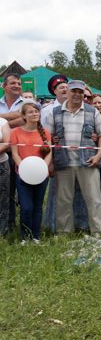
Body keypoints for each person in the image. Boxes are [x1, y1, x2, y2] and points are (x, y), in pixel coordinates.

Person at [43, 79, 101, 234]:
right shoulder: (55, 112)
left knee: (94, 199)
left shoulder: (92, 111)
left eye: (80, 92)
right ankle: (64, 232)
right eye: (74, 91)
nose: (77, 95)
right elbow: (47, 138)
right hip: (63, 163)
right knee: (63, 200)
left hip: (88, 161)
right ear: (68, 92)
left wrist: (98, 155)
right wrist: (50, 161)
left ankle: (98, 232)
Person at [9, 101, 51, 242]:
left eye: (36, 111)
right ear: (24, 116)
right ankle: (25, 237)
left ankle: (36, 236)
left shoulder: (45, 133)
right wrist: (23, 169)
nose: (35, 114)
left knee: (37, 206)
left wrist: (43, 168)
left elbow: (49, 153)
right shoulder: (15, 132)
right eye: (31, 112)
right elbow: (15, 154)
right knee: (26, 207)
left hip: (41, 175)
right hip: (23, 175)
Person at [0, 73, 24, 230]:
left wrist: (2, 121)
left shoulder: (28, 102)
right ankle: (7, 225)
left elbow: (25, 118)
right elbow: (20, 117)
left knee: (20, 190)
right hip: (2, 154)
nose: (17, 85)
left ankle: (19, 225)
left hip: (21, 153)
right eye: (13, 83)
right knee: (4, 191)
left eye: (19, 83)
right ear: (4, 86)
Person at [0, 111, 10, 235]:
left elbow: (7, 143)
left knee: (3, 199)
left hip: (2, 166)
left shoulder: (3, 122)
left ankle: (2, 232)